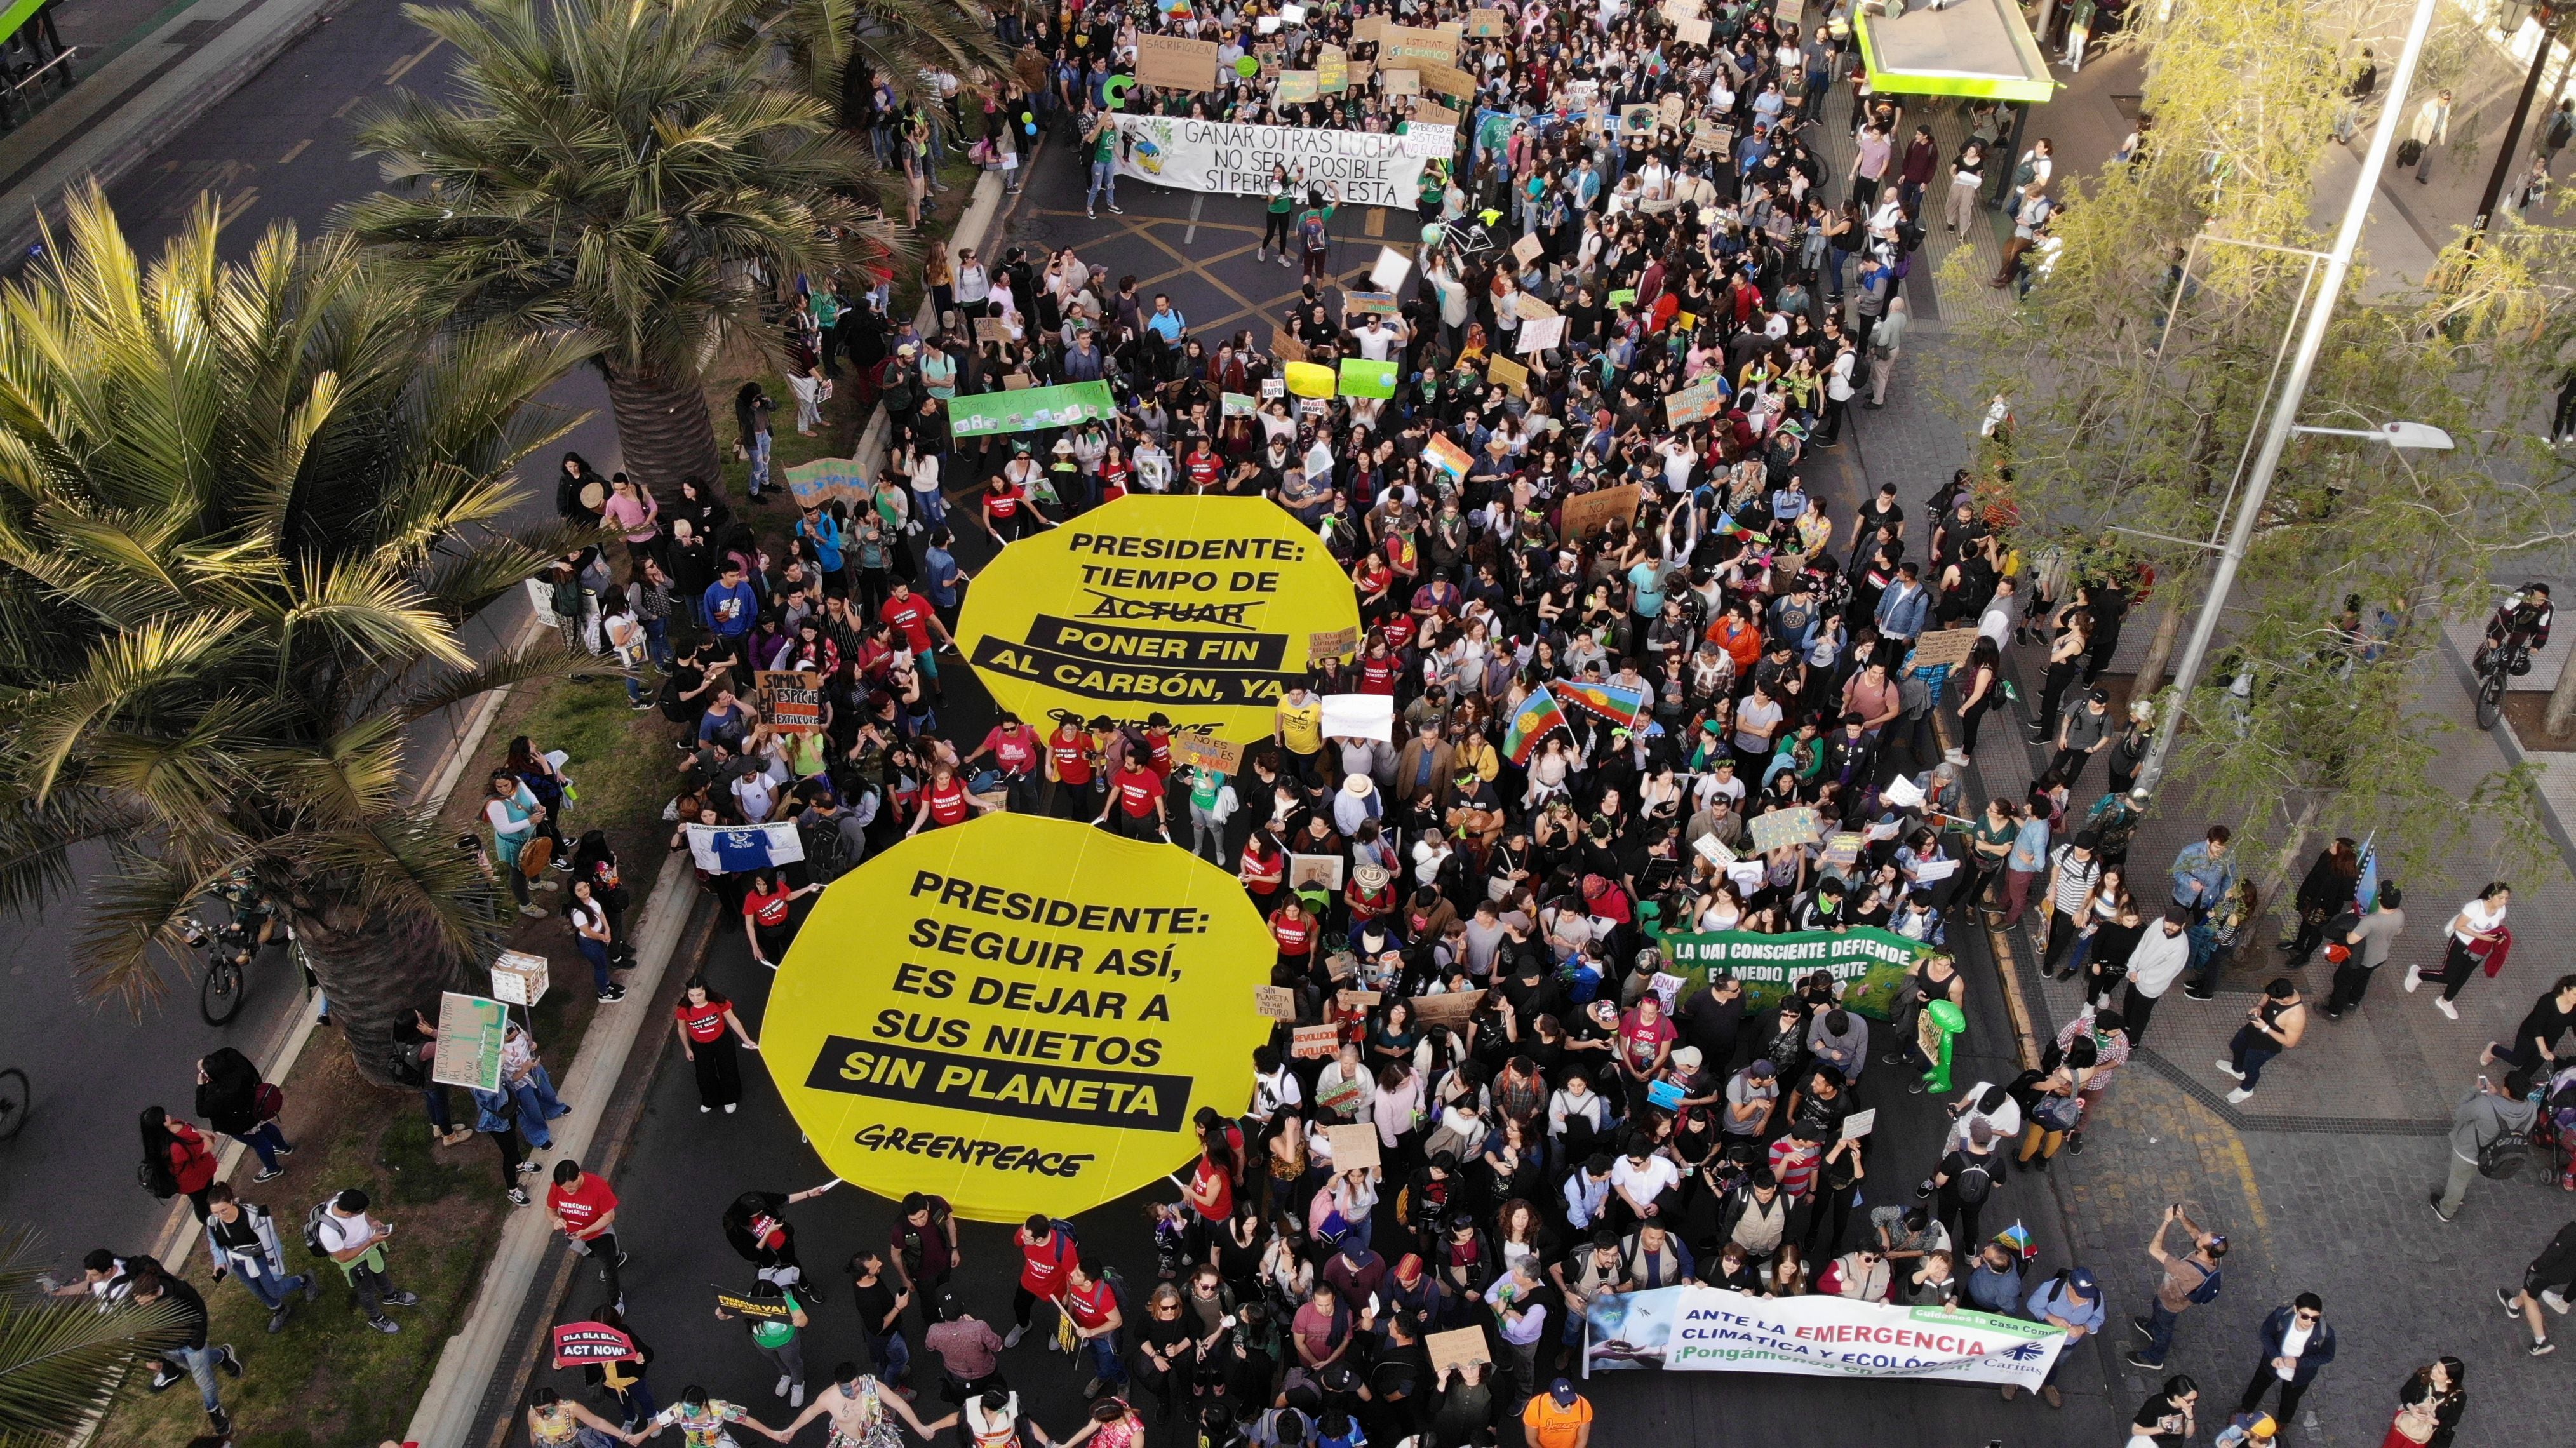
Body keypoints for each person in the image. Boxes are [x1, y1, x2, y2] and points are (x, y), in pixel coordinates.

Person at [130, 1265, 240, 1435]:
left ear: (155, 1293)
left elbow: (200, 1310)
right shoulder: (139, 1301)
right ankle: (223, 1355)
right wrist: (150, 1357)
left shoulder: (179, 1291)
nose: (141, 1305)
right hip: (169, 1350)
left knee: (203, 1380)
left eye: (144, 1302)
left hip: (191, 1345)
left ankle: (215, 1412)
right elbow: (140, 1332)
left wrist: (197, 1341)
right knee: (194, 1368)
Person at [201, 1182, 316, 1333]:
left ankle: (305, 1280)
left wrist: (275, 1268)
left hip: (260, 1258)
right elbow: (215, 1244)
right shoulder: (212, 1223)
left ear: (232, 1202)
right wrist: (220, 1263)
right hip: (238, 1263)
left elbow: (272, 1244)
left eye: (223, 1210)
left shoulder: (255, 1216)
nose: (220, 1216)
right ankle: (280, 1310)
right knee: (258, 1291)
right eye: (215, 1212)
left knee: (275, 1290)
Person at [2430, 1072, 2538, 1223]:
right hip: (2496, 1155)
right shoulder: (2532, 1108)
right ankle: (2456, 1198)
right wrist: (2497, 1097)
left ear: (2506, 1090)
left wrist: (2475, 1090)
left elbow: (2461, 1112)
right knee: (2465, 1178)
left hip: (2469, 1151)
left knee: (2458, 1181)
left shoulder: (2485, 1104)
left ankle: (2446, 1211)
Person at [2128, 1203, 2225, 1369]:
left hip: (2171, 1303)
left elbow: (2154, 1250)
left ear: (2203, 1249)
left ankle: (2155, 1358)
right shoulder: (2215, 1256)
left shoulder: (2186, 1270)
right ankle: (2151, 1328)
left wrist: (2166, 1222)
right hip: (2170, 1296)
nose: (2199, 1236)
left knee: (2165, 1327)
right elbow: (2196, 1232)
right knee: (2157, 1310)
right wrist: (2182, 1217)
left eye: (2202, 1239)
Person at [314, 1187, 420, 1334]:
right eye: (360, 1211)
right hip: (355, 1261)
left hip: (371, 1249)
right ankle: (376, 1319)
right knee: (366, 1291)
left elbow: (364, 1215)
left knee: (381, 1272)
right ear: (347, 1213)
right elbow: (343, 1257)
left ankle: (391, 1296)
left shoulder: (342, 1198)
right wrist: (370, 1242)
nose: (363, 1213)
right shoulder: (328, 1232)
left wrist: (372, 1222)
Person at [773, 1362, 955, 1446]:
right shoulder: (828, 1398)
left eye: (856, 1385)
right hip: (851, 1442)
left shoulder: (873, 1387)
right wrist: (792, 1429)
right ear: (837, 1385)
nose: (854, 1392)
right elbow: (811, 1412)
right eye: (848, 1389)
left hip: (878, 1436)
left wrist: (919, 1427)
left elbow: (899, 1404)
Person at [2408, 882, 2511, 1020]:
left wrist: (2499, 937)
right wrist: (2480, 936)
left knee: (2463, 976)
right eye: (2501, 898)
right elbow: (2459, 926)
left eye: (2506, 898)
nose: (2504, 901)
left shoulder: (2501, 910)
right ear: (2491, 896)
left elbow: (2497, 926)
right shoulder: (2475, 907)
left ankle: (2446, 1000)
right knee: (2448, 976)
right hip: (2461, 943)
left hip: (2480, 948)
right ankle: (2418, 974)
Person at [2006, 1266, 2101, 1408]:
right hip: (2041, 1336)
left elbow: (2098, 1319)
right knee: (2026, 1356)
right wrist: (2051, 1318)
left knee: (2055, 1364)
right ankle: (2013, 1379)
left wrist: (2083, 1328)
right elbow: (2033, 1305)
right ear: (2070, 1287)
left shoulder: (2096, 1296)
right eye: (2081, 1296)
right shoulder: (2051, 1288)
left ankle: (2047, 1385)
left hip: (2068, 1343)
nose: (2086, 1300)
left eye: (2088, 1295)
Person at [195, 1047, 293, 1183]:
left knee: (260, 1143)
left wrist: (201, 1086)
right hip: (256, 1108)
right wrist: (209, 1062)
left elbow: (202, 1111)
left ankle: (273, 1169)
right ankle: (284, 1147)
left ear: (214, 1077)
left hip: (240, 1123)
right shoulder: (239, 1067)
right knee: (266, 1127)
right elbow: (228, 1051)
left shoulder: (220, 1095)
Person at [2236, 1293, 2334, 1426]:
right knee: (2257, 1386)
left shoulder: (2325, 1333)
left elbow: (2327, 1356)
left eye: (2314, 1318)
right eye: (2304, 1316)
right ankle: (2245, 1409)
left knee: (2290, 1400)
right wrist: (2275, 1355)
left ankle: (2282, 1422)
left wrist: (2299, 1363)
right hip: (2272, 1365)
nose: (2309, 1322)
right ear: (2296, 1310)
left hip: (2300, 1375)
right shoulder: (2281, 1317)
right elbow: (2266, 1333)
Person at [548, 1158, 629, 1313]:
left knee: (608, 1268)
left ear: (579, 1176)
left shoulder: (598, 1187)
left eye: (571, 1189)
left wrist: (587, 1231)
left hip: (598, 1234)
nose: (567, 1192)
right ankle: (617, 1257)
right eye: (564, 1189)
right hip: (574, 1235)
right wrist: (556, 1219)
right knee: (592, 1255)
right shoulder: (557, 1187)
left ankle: (615, 1300)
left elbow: (609, 1216)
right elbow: (550, 1209)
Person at [675, 977, 762, 1113]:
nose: (695, 998)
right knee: (704, 1075)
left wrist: (747, 1040)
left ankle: (730, 1098)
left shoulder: (718, 1002)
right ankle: (711, 1100)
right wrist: (687, 1048)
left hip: (722, 1040)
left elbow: (733, 1021)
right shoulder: (683, 1009)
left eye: (699, 994)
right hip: (700, 1045)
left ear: (706, 991)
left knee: (728, 1069)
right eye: (691, 995)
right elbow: (682, 1029)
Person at [2216, 978, 2307, 1104]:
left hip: (2265, 1046)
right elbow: (2267, 996)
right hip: (2252, 1030)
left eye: (2274, 999)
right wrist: (2259, 1007)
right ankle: (2237, 1070)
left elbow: (2290, 1043)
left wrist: (2264, 1028)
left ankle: (2247, 1089)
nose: (2271, 999)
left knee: (2251, 1067)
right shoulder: (2279, 989)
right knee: (2236, 1046)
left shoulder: (2296, 1016)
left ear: (2285, 999)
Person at [2323, 883, 2406, 1020]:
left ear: (2380, 899)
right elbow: (2398, 931)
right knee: (2363, 978)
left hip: (2362, 958)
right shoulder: (2400, 914)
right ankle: (2353, 1001)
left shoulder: (2371, 921)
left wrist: (2352, 923)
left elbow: (2351, 940)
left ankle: (2334, 1011)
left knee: (2342, 982)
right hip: (2380, 956)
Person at [2495, 1218, 2576, 1355]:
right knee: (2529, 1289)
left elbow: (2554, 1253)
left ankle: (2540, 1342)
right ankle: (2513, 1304)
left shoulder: (2573, 1231)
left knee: (2530, 1296)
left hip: (2551, 1271)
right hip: (2569, 1273)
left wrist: (2536, 1266)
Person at [2379, 1357, 2464, 1448]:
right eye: (2436, 1366)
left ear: (2449, 1380)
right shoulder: (2423, 1375)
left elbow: (2452, 1421)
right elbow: (2405, 1392)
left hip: (2422, 1435)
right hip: (2404, 1423)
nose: (2433, 1371)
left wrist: (2434, 1421)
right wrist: (2411, 1407)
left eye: (2439, 1372)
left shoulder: (2458, 1397)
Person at [528, 1386, 630, 1448]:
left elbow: (596, 1422)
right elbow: (533, 1434)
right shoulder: (532, 1414)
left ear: (558, 1402)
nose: (545, 1415)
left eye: (549, 1409)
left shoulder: (570, 1408)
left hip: (576, 1443)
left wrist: (623, 1435)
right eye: (539, 1411)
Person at [1520, 1378, 1591, 1448]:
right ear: (1553, 1400)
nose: (1569, 1408)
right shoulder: (1536, 1407)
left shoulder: (1583, 1406)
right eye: (1564, 1404)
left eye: (1572, 1402)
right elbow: (1532, 1440)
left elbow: (1582, 1440)